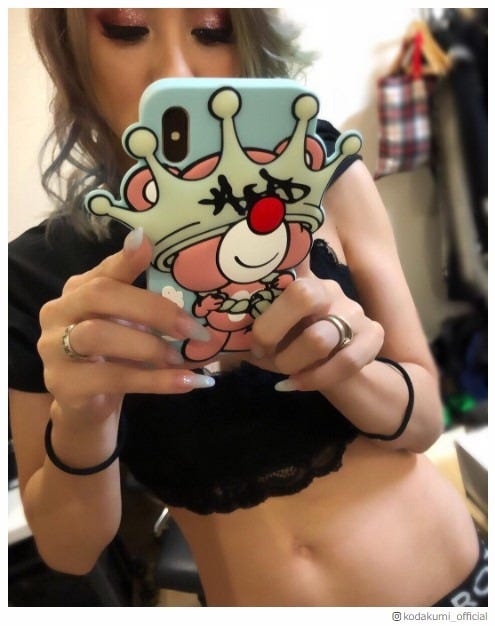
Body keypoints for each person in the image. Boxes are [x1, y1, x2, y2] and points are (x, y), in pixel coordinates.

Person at [9, 8, 487, 607]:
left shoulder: (315, 170)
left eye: (213, 31)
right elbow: (69, 552)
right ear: (71, 47)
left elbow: (423, 427)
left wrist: (344, 367)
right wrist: (84, 418)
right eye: (127, 28)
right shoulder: (41, 270)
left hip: (452, 588)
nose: (174, 72)